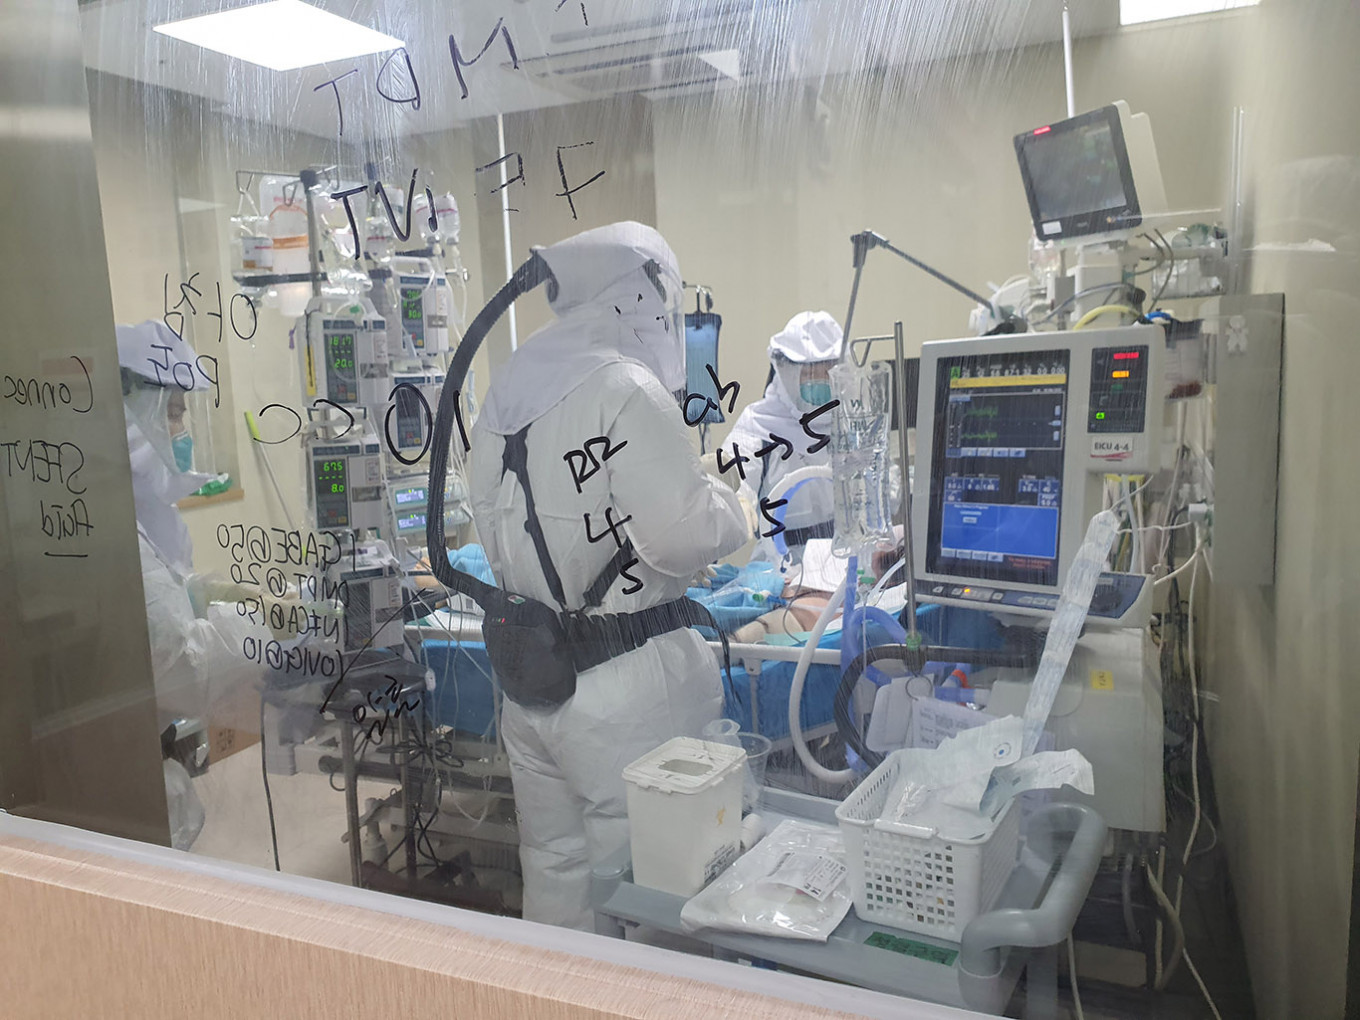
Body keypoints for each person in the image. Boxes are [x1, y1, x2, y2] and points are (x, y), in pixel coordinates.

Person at [468, 222, 751, 929]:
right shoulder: (624, 386)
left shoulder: (506, 394)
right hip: (625, 692)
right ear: (646, 295)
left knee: (557, 872)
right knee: (654, 891)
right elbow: (681, 536)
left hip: (534, 682)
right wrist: (733, 508)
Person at [117, 320, 264, 850]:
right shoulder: (114, 527)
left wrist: (209, 595)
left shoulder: (135, 511)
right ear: (133, 410)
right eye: (173, 411)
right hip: (126, 779)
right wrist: (266, 625)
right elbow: (182, 668)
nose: (182, 429)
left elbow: (162, 589)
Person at [720, 310, 844, 565]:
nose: (821, 380)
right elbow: (735, 472)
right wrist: (738, 500)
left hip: (843, 559)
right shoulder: (759, 425)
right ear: (786, 370)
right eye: (810, 372)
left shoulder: (848, 420)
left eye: (828, 371)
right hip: (778, 565)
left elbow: (884, 489)